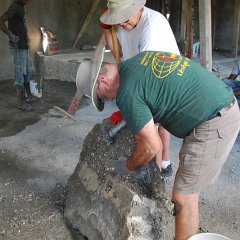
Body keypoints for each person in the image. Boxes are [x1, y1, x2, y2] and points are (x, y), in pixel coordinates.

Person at [91, 51, 240, 240]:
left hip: (214, 121)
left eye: (102, 96)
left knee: (183, 197)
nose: (108, 100)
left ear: (102, 81)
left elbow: (150, 146)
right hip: (220, 104)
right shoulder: (135, 62)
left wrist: (127, 166)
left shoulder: (127, 93)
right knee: (189, 190)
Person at [100, 0, 180, 177]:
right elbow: (119, 54)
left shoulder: (152, 26)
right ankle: (163, 164)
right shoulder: (124, 23)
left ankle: (159, 170)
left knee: (156, 124)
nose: (122, 23)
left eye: (125, 18)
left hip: (162, 75)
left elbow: (144, 74)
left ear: (138, 7)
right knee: (156, 124)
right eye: (118, 19)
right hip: (142, 72)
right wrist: (107, 30)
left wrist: (130, 105)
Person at [0, 0, 32, 111]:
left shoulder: (21, 6)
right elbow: (1, 20)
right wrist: (11, 35)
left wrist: (26, 38)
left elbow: (21, 25)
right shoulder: (14, 6)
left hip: (23, 44)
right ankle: (21, 102)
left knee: (28, 71)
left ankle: (28, 96)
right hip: (18, 45)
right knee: (20, 71)